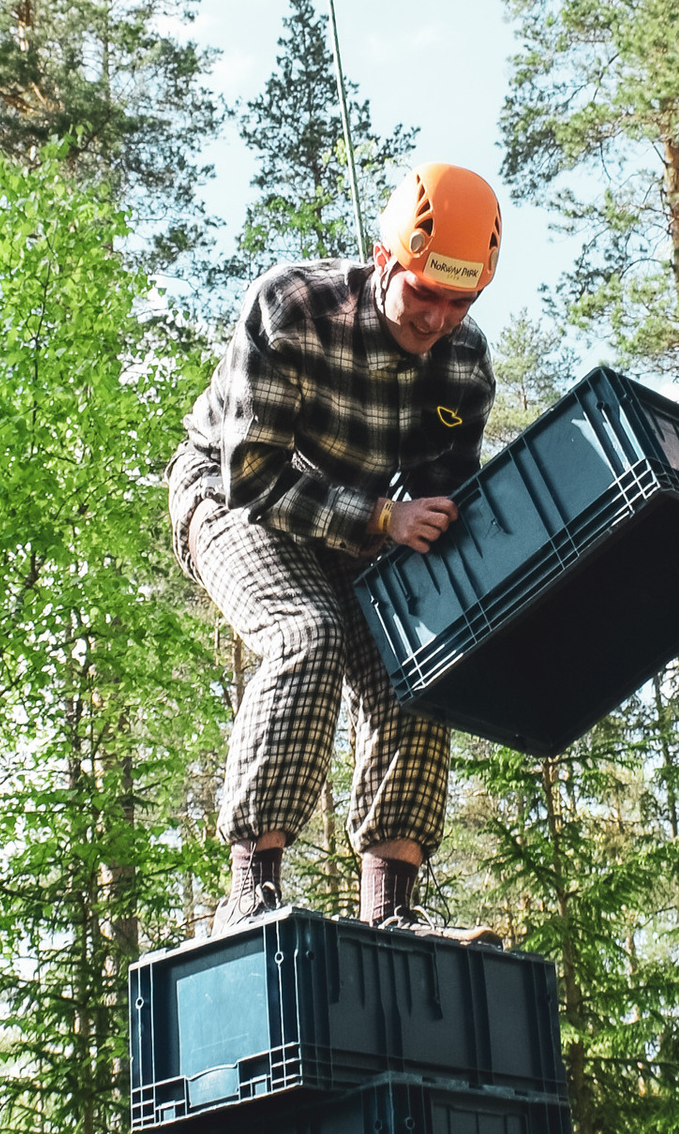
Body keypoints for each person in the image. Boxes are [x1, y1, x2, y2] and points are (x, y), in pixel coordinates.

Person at [172, 160, 499, 931]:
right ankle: (250, 891)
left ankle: (393, 910)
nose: (438, 319)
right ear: (385, 260)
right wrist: (383, 519)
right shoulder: (291, 308)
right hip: (233, 494)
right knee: (306, 632)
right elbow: (253, 477)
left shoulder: (462, 364)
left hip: (360, 525)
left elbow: (443, 506)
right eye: (425, 293)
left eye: (459, 303)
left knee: (418, 665)